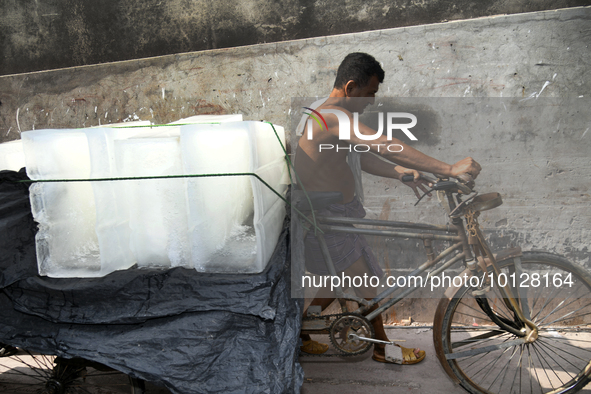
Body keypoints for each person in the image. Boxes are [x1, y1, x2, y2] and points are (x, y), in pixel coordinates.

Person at [295, 52, 481, 364]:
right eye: (370, 93)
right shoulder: (331, 116)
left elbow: (360, 154)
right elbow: (383, 144)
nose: (371, 102)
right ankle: (383, 348)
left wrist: (397, 172)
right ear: (351, 87)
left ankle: (301, 330)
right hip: (326, 219)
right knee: (366, 282)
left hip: (335, 215)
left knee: (341, 279)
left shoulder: (326, 113)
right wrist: (448, 169)